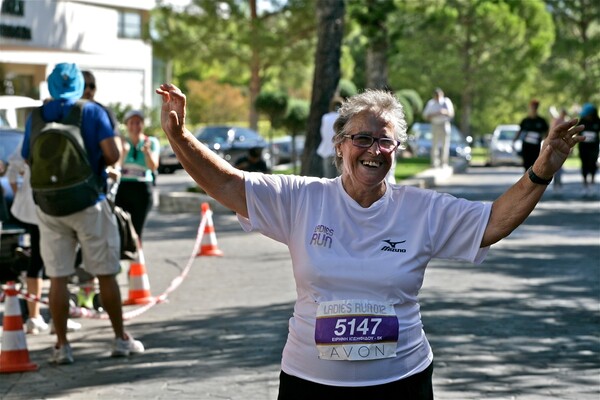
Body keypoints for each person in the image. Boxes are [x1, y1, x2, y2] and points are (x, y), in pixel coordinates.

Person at [156, 83, 583, 398]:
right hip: (310, 382)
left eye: (385, 141)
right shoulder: (302, 198)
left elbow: (493, 222)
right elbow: (228, 184)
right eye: (362, 138)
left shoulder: (422, 209)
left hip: (402, 382)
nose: (374, 150)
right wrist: (178, 136)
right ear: (340, 145)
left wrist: (542, 170)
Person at [21, 62, 144, 364]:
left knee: (58, 277)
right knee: (105, 272)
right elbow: (113, 154)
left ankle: (62, 346)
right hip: (89, 202)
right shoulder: (91, 111)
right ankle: (119, 339)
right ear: (79, 85)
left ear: (50, 85)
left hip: (50, 207)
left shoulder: (36, 115)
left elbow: (27, 156)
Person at [114, 109, 160, 239]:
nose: (135, 126)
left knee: (136, 229)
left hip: (143, 188)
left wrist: (147, 152)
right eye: (131, 122)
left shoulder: (151, 142)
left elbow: (153, 166)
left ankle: (136, 256)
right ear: (126, 125)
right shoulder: (121, 141)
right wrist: (123, 152)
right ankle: (122, 255)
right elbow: (116, 166)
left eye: (138, 122)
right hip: (123, 188)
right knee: (120, 227)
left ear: (143, 124)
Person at [423, 88, 454, 168]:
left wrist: (444, 112)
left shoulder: (446, 101)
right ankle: (434, 162)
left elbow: (451, 113)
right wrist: (436, 114)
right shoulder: (431, 103)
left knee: (445, 144)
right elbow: (425, 115)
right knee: (435, 144)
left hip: (444, 124)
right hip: (435, 124)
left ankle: (444, 163)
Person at [514, 99, 549, 172]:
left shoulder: (541, 121)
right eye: (532, 107)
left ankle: (533, 181)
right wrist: (514, 140)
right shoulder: (525, 121)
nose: (533, 109)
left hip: (535, 147)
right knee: (526, 165)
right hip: (526, 147)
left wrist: (545, 140)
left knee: (534, 164)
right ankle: (526, 180)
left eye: (535, 107)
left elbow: (546, 132)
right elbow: (519, 131)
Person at [577, 103, 600, 197]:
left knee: (593, 164)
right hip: (583, 147)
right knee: (584, 165)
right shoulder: (582, 121)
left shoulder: (597, 121)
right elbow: (577, 132)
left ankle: (592, 184)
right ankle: (585, 185)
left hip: (593, 147)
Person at [317, 97, 343, 178]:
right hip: (340, 151)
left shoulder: (325, 117)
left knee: (328, 178)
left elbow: (323, 133)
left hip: (327, 150)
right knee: (340, 179)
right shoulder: (342, 118)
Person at [549, 107, 569, 194]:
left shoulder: (564, 122)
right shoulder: (558, 121)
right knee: (555, 166)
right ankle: (556, 184)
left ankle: (558, 183)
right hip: (556, 145)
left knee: (559, 166)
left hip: (561, 145)